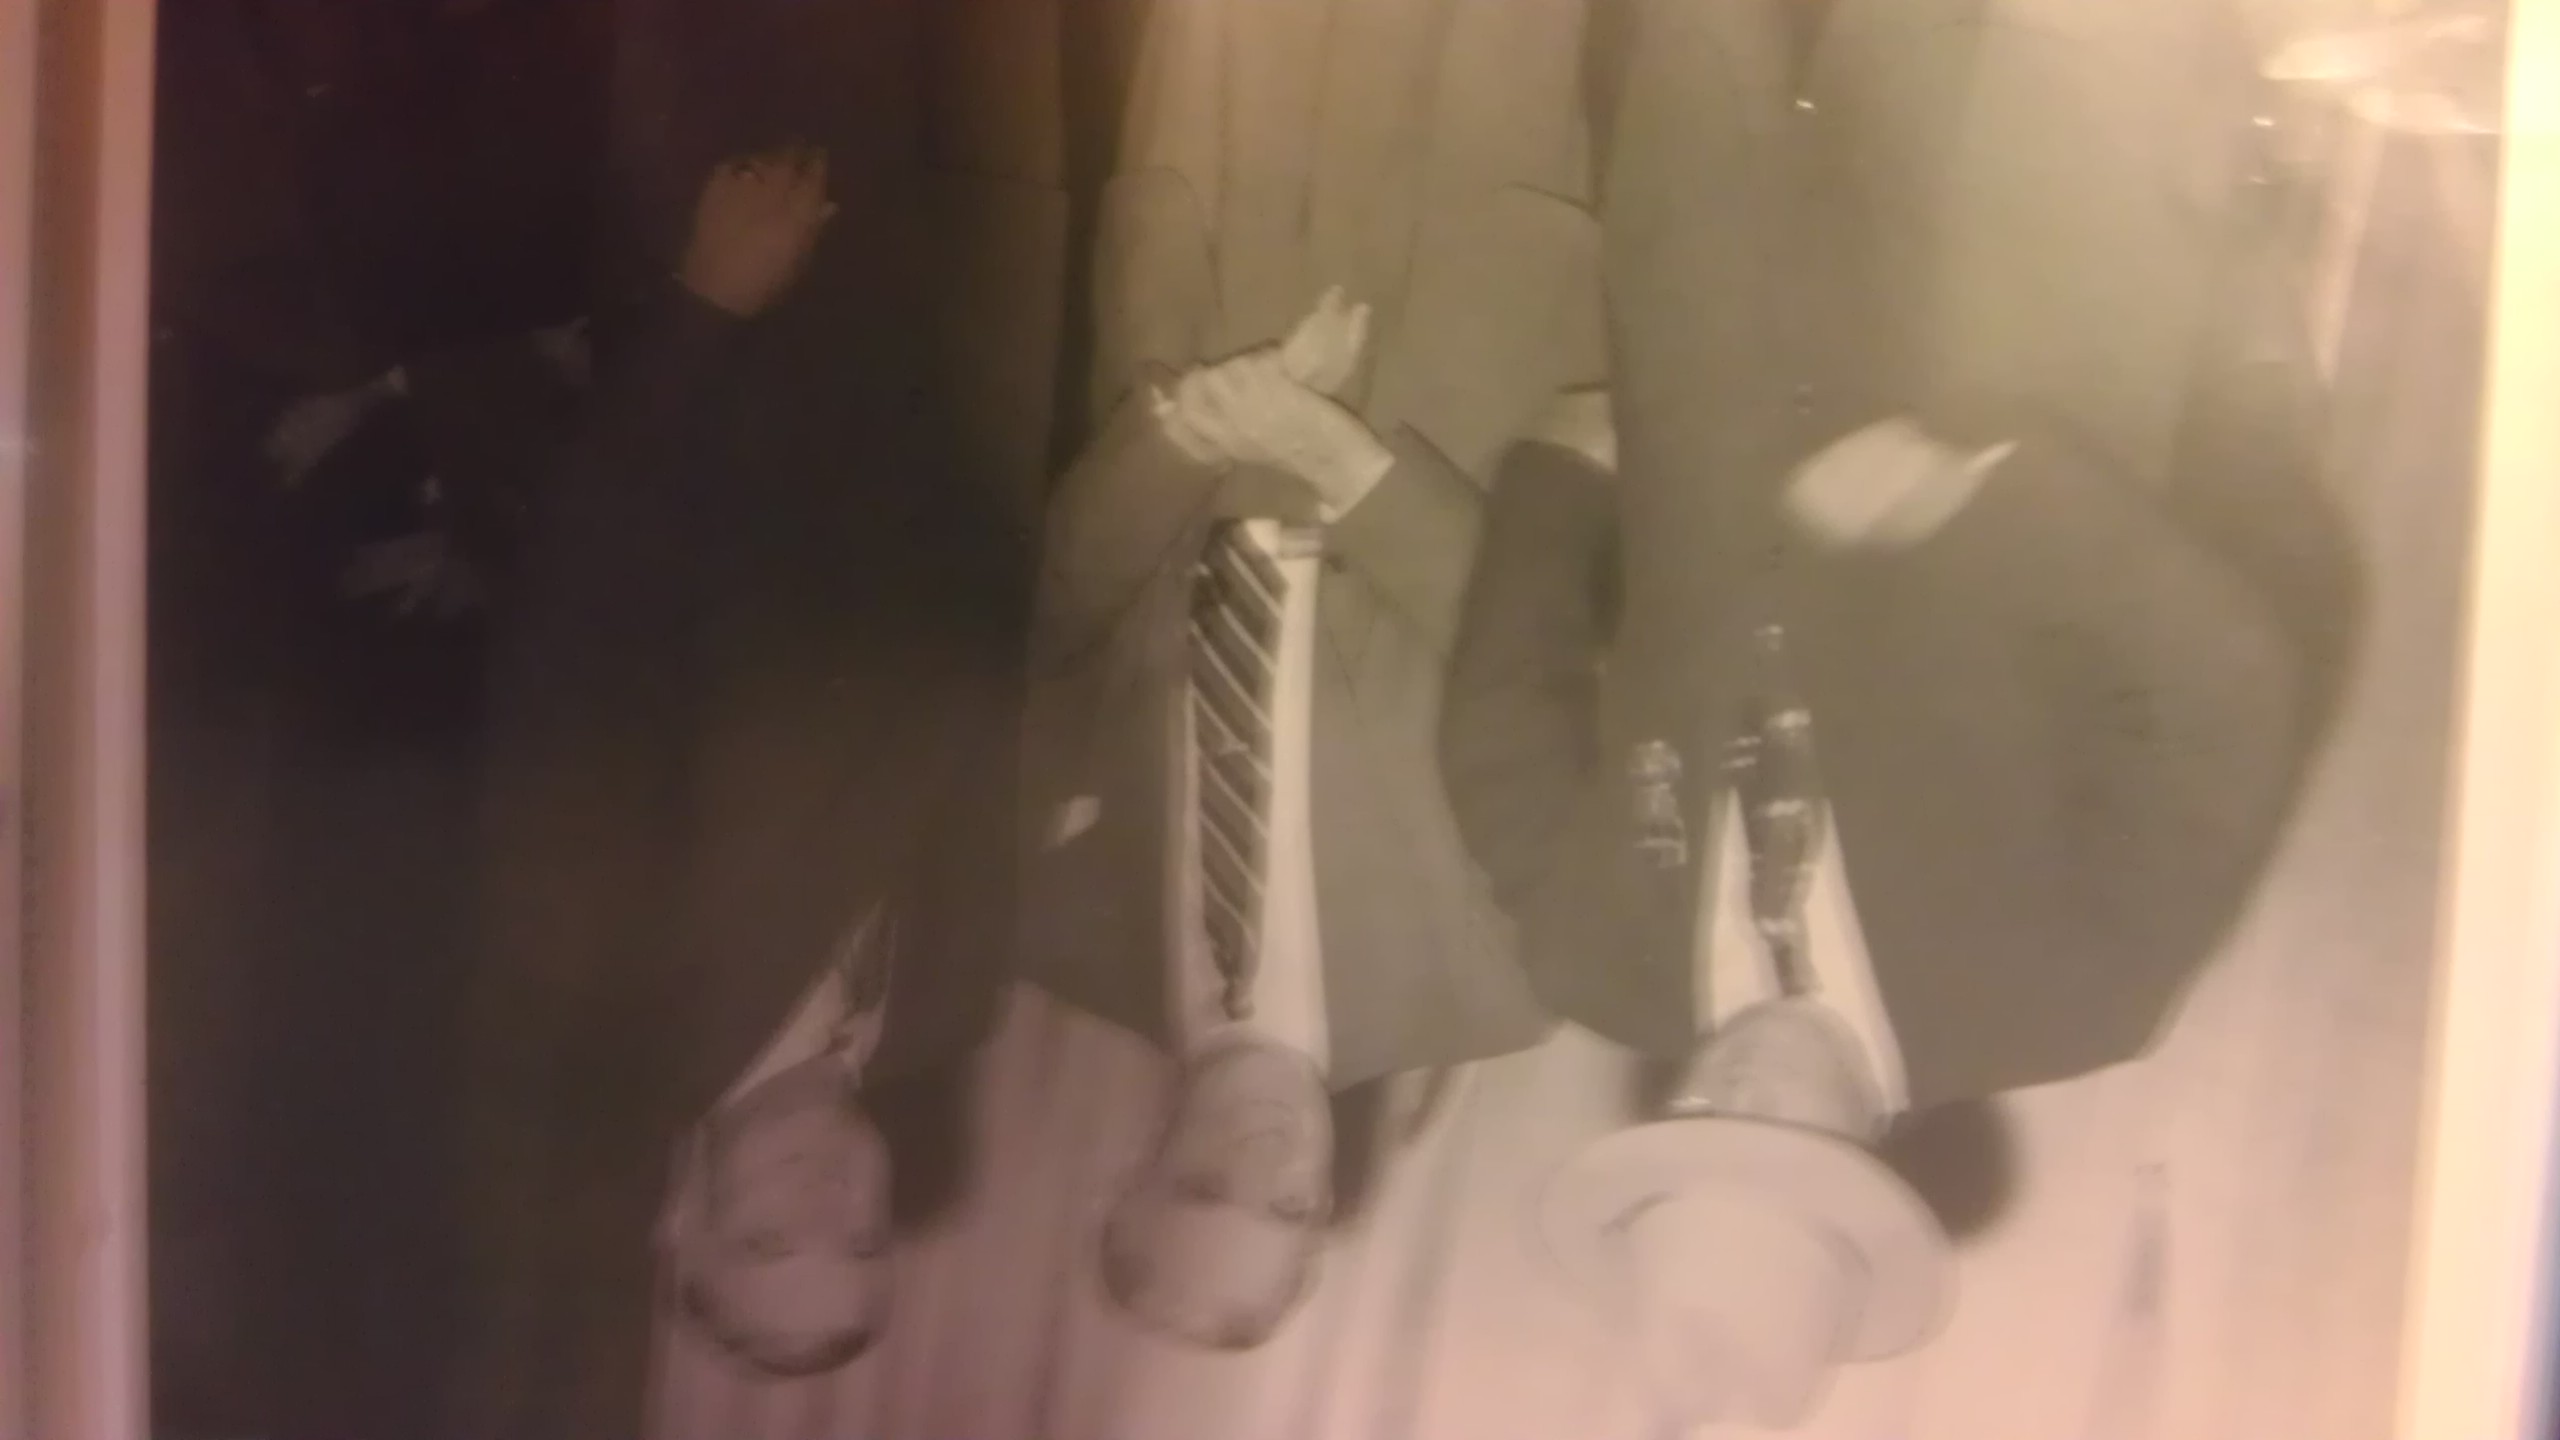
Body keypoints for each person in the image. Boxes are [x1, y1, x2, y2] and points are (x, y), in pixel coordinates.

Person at [1440, 0, 2365, 1424]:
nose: (1733, 1085)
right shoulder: (2074, 996)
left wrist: (1558, 496)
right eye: (1775, 1136)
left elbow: (1494, 739)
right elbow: (2227, 693)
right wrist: (1985, 498)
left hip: (1707, 339)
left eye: (1696, 1121)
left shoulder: (1592, 962)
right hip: (2020, 323)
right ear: (1867, 1170)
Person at [449, 142, 1019, 1440]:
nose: (828, 1200)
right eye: (861, 1236)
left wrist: (703, 310)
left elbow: (580, 616)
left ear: (680, 1214)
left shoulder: (607, 986)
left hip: (760, 303)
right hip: (968, 343)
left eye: (769, 1235)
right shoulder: (950, 1008)